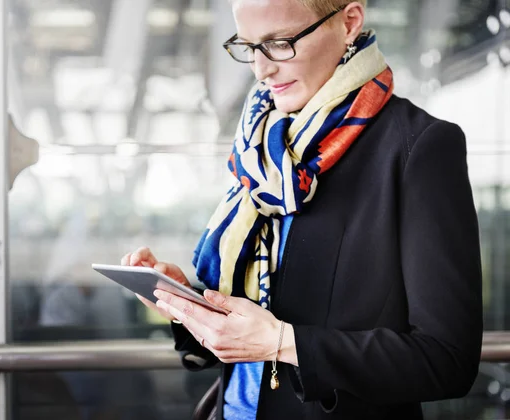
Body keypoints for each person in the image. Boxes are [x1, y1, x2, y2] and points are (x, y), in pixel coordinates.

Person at [122, 0, 483, 418]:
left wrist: (283, 342)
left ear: (349, 22)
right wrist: (190, 305)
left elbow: (447, 361)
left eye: (279, 43)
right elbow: (255, 324)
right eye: (249, 45)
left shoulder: (417, 148)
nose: (261, 69)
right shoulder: (265, 146)